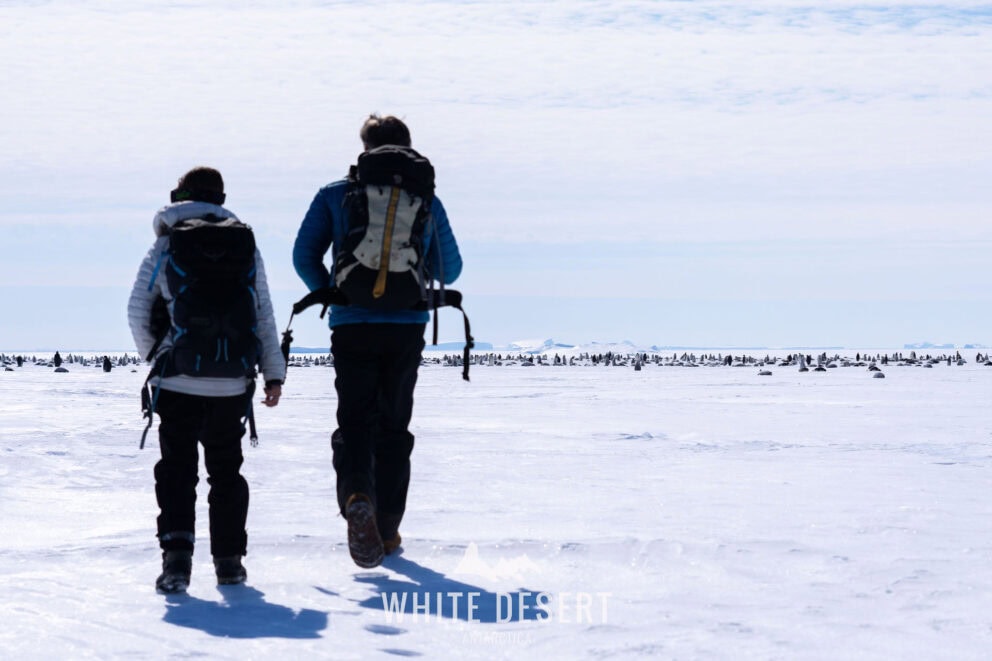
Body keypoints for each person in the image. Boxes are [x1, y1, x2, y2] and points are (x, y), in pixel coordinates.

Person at [293, 114, 462, 568]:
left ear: (364, 147)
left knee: (355, 422)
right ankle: (386, 530)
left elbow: (303, 253)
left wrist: (334, 291)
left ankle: (355, 498)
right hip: (406, 326)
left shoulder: (335, 194)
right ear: (409, 146)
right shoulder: (424, 197)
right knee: (394, 426)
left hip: (351, 325)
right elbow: (453, 269)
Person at [127, 167, 286, 593]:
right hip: (231, 384)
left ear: (179, 196)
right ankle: (229, 563)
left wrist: (162, 358)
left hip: (177, 382)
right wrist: (273, 373)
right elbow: (263, 314)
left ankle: (176, 562)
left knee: (177, 473)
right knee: (226, 473)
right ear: (220, 198)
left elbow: (137, 310)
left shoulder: (166, 244)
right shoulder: (245, 246)